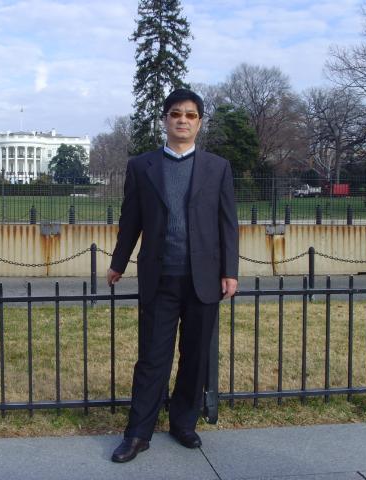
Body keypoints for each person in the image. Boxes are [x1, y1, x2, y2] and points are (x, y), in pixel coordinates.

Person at [107, 88, 239, 463]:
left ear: (199, 123)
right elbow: (130, 219)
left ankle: (183, 423)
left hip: (203, 279)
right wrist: (118, 262)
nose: (183, 120)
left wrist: (230, 271)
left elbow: (228, 223)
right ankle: (138, 433)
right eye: (176, 114)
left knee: (195, 357)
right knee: (152, 358)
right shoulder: (141, 166)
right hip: (159, 277)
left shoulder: (217, 167)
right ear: (165, 120)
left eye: (190, 115)